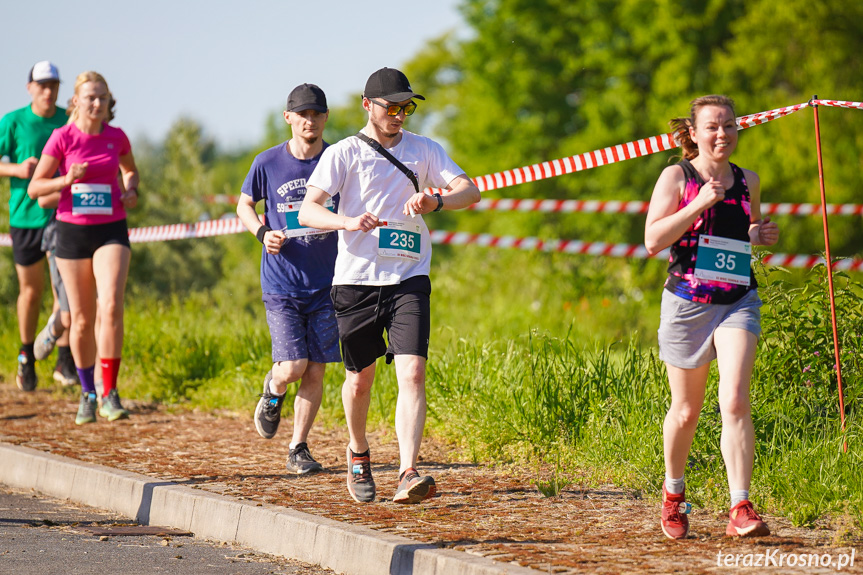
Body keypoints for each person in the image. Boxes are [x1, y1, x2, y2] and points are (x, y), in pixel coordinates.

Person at [299, 67, 481, 504]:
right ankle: (359, 453)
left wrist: (437, 200)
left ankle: (407, 470)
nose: (401, 115)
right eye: (392, 107)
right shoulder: (344, 153)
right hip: (357, 280)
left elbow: (470, 190)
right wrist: (346, 221)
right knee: (359, 381)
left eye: (407, 107)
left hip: (409, 276)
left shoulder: (425, 149)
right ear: (367, 105)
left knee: (413, 371)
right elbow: (308, 211)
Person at [644, 95, 779, 539]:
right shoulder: (677, 176)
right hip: (686, 302)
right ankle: (674, 494)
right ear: (694, 132)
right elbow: (652, 240)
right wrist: (697, 203)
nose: (723, 134)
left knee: (735, 400)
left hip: (739, 299)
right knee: (686, 411)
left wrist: (761, 234)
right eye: (713, 127)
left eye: (730, 126)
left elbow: (746, 230)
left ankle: (740, 504)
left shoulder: (748, 180)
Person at [237, 83, 340, 475]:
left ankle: (299, 447)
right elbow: (244, 204)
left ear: (325, 118)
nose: (309, 121)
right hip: (282, 283)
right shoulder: (267, 163)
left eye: (316, 114)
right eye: (302, 115)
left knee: (316, 368)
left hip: (328, 283)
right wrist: (263, 234)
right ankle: (273, 388)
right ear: (289, 118)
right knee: (293, 365)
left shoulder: (335, 159)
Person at [28, 71, 139, 425]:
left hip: (111, 229)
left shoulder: (116, 137)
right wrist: (67, 179)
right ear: (75, 101)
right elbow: (35, 188)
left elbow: (130, 171)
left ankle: (110, 393)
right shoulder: (63, 137)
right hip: (72, 232)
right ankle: (88, 392)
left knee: (110, 305)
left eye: (102, 98)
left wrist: (131, 189)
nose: (97, 103)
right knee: (80, 318)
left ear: (109, 102)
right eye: (90, 97)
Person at [0, 61, 77, 391]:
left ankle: (64, 360)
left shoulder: (67, 119)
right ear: (30, 87)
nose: (48, 91)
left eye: (53, 86)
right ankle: (26, 355)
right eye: (42, 85)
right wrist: (17, 170)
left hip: (61, 216)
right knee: (31, 292)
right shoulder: (14, 121)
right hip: (25, 217)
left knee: (67, 291)